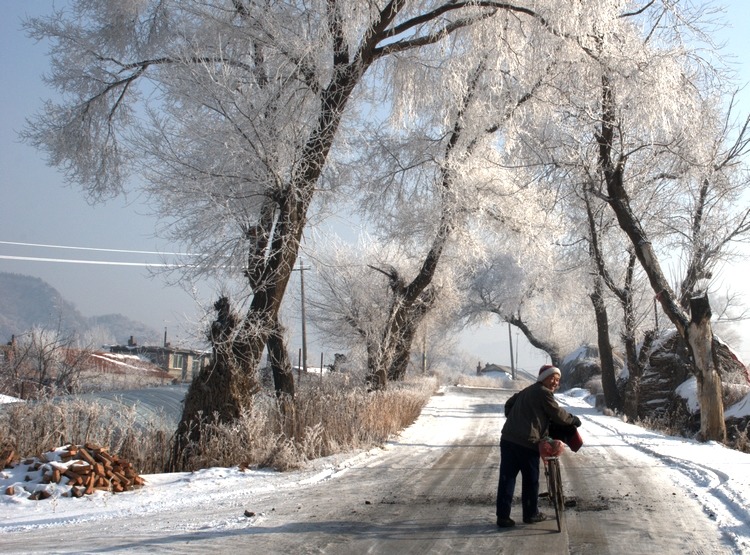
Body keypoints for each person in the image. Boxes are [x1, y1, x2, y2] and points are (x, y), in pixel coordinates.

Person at [496, 364, 582, 528]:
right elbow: (557, 414)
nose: (555, 383)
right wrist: (573, 420)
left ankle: (503, 517)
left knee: (507, 478)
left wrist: (515, 418)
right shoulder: (543, 393)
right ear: (544, 379)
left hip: (508, 439)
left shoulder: (528, 390)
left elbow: (509, 404)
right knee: (531, 479)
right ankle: (530, 514)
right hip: (526, 442)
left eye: (558, 380)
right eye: (552, 379)